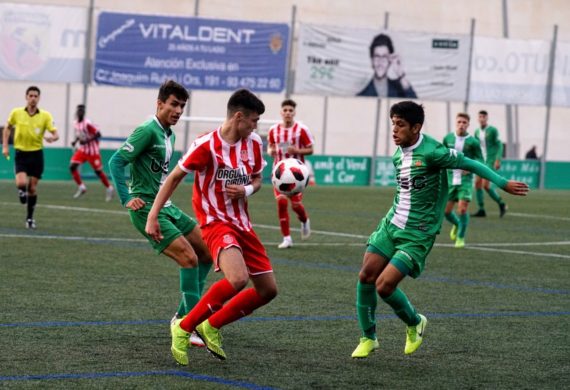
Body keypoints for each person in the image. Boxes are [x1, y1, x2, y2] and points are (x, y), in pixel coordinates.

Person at [351, 101, 528, 359]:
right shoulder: (398, 154)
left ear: (416, 127)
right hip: (391, 225)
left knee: (384, 286)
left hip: (418, 233)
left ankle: (415, 322)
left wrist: (501, 182)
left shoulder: (434, 151)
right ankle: (368, 337)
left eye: (400, 125)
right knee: (366, 276)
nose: (394, 130)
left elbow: (470, 164)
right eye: (393, 124)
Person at [146, 88, 277, 365]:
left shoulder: (253, 143)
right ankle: (183, 327)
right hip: (215, 222)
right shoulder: (206, 145)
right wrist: (152, 215)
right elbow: (174, 178)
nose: (256, 127)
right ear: (238, 117)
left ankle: (211, 325)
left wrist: (246, 191)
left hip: (242, 224)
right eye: (253, 120)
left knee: (268, 290)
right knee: (238, 278)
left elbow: (257, 180)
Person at [108, 80, 213, 348]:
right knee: (189, 259)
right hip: (146, 209)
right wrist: (126, 198)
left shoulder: (170, 135)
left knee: (206, 252)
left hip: (166, 205)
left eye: (182, 106)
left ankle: (182, 315)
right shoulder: (147, 130)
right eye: (174, 104)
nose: (178, 110)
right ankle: (189, 324)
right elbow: (116, 161)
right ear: (160, 103)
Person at [2, 86, 59, 229]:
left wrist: (53, 138)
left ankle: (29, 218)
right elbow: (7, 128)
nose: (33, 98)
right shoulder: (17, 113)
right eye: (31, 96)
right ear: (26, 97)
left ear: (39, 98)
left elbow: (55, 133)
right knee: (21, 183)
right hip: (21, 153)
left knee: (32, 188)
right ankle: (21, 191)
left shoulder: (45, 116)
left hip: (37, 155)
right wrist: (5, 146)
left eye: (35, 96)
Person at [267, 99, 315, 249]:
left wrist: (297, 151)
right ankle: (287, 238)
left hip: (296, 175)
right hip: (279, 174)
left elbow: (311, 149)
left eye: (290, 110)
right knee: (281, 202)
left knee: (295, 205)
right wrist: (271, 151)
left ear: (294, 113)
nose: (288, 113)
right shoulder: (273, 130)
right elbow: (269, 148)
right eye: (285, 110)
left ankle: (304, 220)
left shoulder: (301, 129)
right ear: (281, 112)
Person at [442, 113, 484, 249]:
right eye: (459, 121)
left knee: (462, 209)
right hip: (450, 179)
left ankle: (460, 237)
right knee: (446, 212)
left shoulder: (473, 142)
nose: (461, 124)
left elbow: (480, 160)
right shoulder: (448, 138)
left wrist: (471, 169)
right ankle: (457, 224)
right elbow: (442, 156)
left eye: (464, 122)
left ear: (468, 124)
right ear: (456, 122)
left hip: (465, 180)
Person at [69, 104, 114, 201]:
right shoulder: (75, 123)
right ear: (77, 112)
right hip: (83, 150)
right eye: (79, 111)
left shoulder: (87, 123)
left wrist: (86, 141)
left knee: (98, 172)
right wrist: (75, 141)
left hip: (93, 152)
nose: (80, 112)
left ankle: (109, 188)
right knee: (72, 166)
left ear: (84, 113)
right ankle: (81, 187)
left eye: (82, 111)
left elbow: (98, 134)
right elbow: (80, 134)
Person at [357, 33, 417, 98]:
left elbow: (415, 106)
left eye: (384, 56)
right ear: (372, 60)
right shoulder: (362, 95)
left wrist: (401, 74)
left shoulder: (399, 89)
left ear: (390, 60)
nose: (380, 61)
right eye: (377, 56)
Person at [472, 110, 507, 217]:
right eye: (480, 116)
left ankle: (501, 203)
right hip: (480, 161)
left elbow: (499, 144)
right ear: (478, 119)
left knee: (486, 186)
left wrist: (498, 159)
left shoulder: (492, 131)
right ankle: (481, 209)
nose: (482, 118)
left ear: (487, 118)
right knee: (477, 184)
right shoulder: (477, 132)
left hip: (490, 161)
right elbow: (476, 147)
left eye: (484, 117)